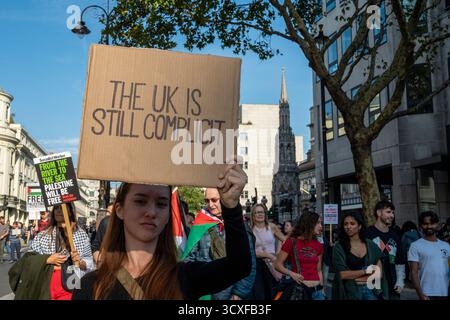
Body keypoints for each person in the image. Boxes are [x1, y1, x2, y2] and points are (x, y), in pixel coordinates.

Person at [72, 162, 251, 300]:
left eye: (161, 204)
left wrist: (231, 206)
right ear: (119, 210)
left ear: (167, 216)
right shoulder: (91, 286)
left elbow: (239, 266)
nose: (151, 212)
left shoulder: (183, 278)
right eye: (140, 201)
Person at [183, 185, 255, 300]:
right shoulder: (199, 224)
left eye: (214, 200)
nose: (210, 205)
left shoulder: (239, 225)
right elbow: (188, 260)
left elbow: (249, 261)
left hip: (233, 294)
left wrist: (239, 293)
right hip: (206, 292)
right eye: (207, 200)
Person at [31, 203, 93, 300]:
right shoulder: (43, 235)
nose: (59, 211)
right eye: (56, 208)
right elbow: (31, 258)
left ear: (70, 211)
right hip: (46, 282)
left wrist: (80, 262)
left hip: (70, 281)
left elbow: (89, 260)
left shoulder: (80, 234)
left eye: (62, 208)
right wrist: (47, 259)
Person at [332, 212, 388, 300]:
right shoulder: (339, 247)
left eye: (352, 223)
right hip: (350, 292)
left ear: (359, 226)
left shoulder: (370, 245)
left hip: (371, 290)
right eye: (345, 224)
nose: (348, 227)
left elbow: (379, 273)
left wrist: (357, 277)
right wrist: (366, 271)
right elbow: (342, 274)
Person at [274, 211, 326, 300]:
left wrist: (322, 289)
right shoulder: (291, 242)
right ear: (308, 223)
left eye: (320, 223)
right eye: (317, 223)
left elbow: (319, 270)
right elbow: (277, 264)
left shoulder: (318, 245)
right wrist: (291, 273)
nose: (320, 226)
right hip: (300, 290)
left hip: (317, 292)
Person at [365, 200, 405, 300]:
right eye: (388, 212)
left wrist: (400, 282)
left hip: (393, 287)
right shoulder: (367, 234)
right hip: (373, 286)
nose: (392, 215)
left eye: (393, 213)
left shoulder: (395, 236)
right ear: (379, 213)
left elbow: (399, 261)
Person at [408, 211, 450, 300]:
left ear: (437, 225)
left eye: (432, 223)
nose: (429, 226)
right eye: (425, 224)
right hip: (427, 293)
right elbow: (413, 272)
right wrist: (420, 294)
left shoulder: (446, 246)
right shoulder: (415, 245)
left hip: (445, 291)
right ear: (421, 225)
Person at [251, 204, 286, 300]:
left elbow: (286, 241)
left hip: (272, 265)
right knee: (260, 295)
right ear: (253, 215)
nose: (259, 214)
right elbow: (250, 252)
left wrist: (279, 253)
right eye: (257, 212)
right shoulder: (250, 230)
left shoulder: (272, 227)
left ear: (265, 214)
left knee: (274, 294)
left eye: (261, 212)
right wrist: (267, 255)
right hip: (258, 266)